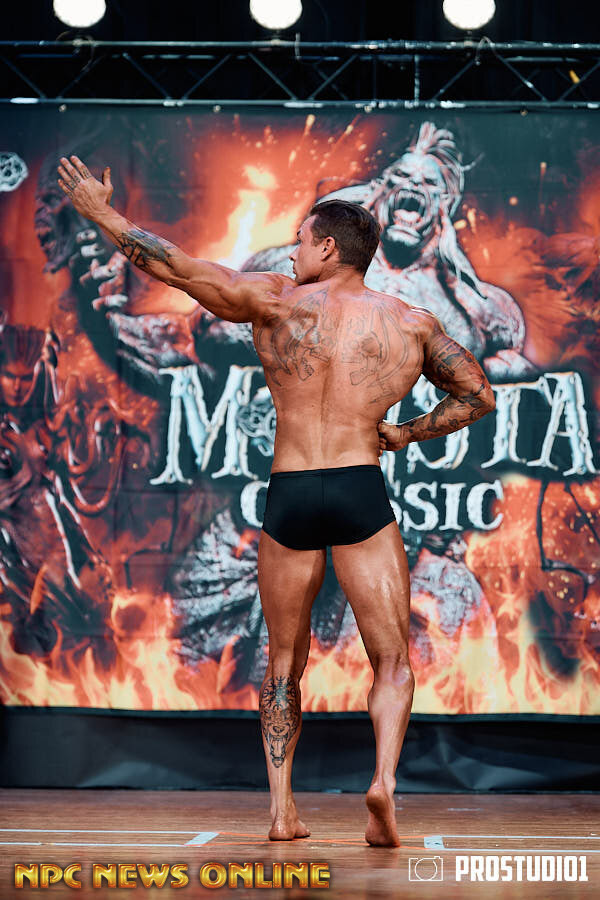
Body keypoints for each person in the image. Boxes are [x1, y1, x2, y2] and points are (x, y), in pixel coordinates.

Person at [57, 155, 496, 847]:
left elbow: (175, 268)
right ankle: (383, 782)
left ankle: (283, 811)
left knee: (284, 663)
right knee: (392, 660)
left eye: (300, 242)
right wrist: (405, 433)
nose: (292, 254)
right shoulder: (409, 324)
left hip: (290, 494)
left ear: (329, 248)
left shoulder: (274, 300)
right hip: (358, 488)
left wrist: (101, 214)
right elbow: (477, 394)